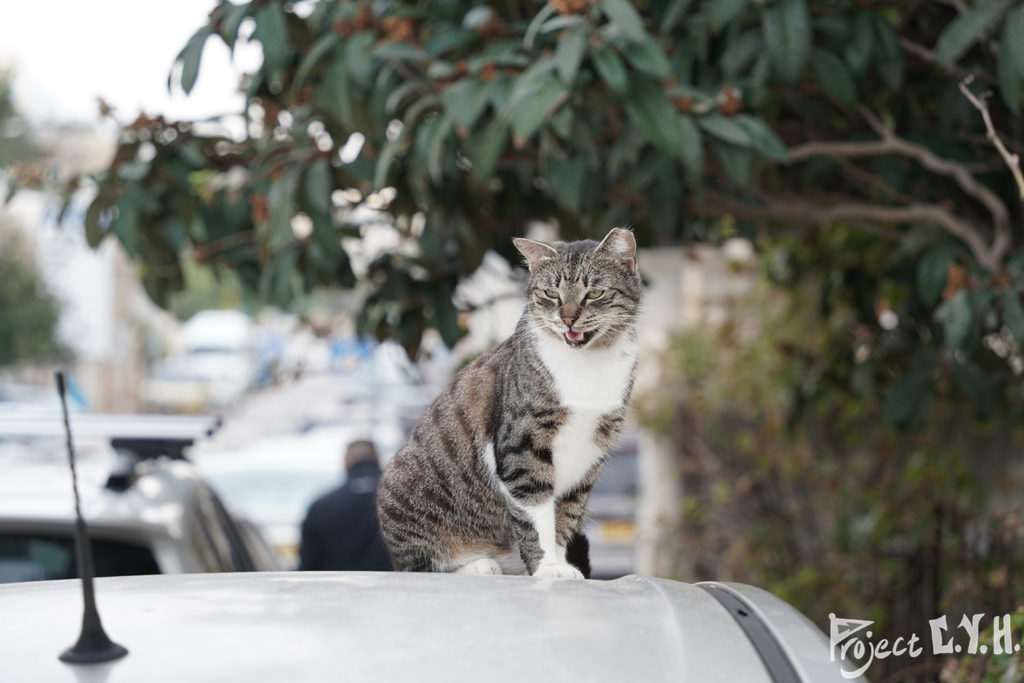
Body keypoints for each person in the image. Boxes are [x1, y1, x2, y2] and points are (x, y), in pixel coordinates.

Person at [298, 440, 393, 571]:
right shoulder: (406, 501)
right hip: (400, 588)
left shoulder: (320, 507)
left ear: (346, 463)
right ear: (377, 459)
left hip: (342, 589)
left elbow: (308, 567)